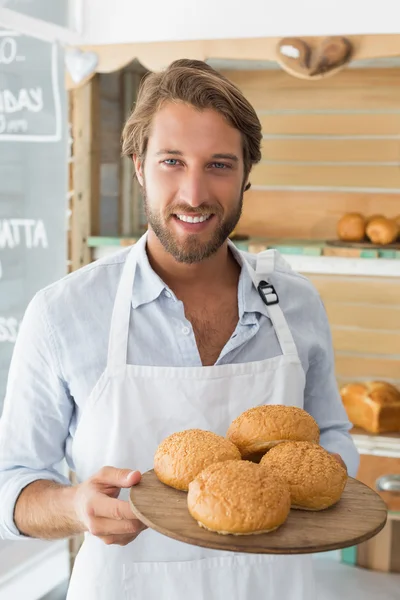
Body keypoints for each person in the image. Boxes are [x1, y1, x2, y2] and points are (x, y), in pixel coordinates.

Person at [0, 59, 359, 600]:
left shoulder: (296, 305)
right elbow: (12, 486)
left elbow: (331, 437)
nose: (194, 193)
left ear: (246, 175)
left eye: (219, 164)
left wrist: (319, 474)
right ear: (139, 167)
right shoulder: (62, 313)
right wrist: (76, 507)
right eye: (172, 162)